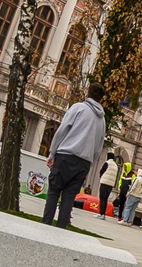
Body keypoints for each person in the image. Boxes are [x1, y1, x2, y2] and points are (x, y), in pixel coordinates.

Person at [44, 83, 106, 228]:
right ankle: (61, 229)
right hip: (84, 162)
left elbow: (62, 130)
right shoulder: (102, 120)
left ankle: (45, 224)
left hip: (66, 155)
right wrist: (89, 164)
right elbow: (98, 147)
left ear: (87, 94)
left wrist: (52, 153)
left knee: (54, 191)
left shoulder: (78, 108)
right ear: (101, 100)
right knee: (69, 196)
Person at [97, 153, 119, 217]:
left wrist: (101, 176)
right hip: (111, 184)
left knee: (102, 198)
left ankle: (101, 213)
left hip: (104, 182)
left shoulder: (107, 163)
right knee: (106, 199)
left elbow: (102, 171)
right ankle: (103, 214)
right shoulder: (115, 165)